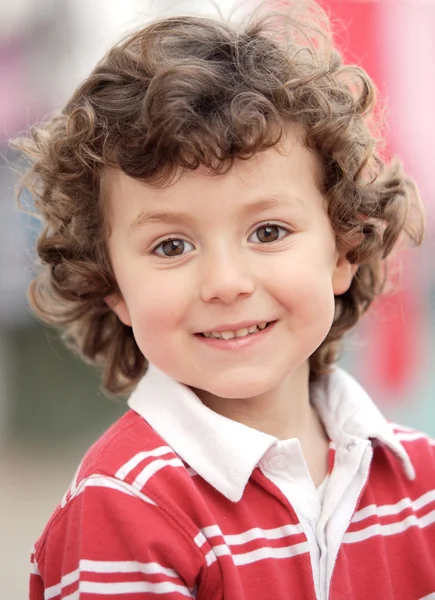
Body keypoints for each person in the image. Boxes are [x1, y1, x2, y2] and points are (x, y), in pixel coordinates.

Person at [13, 0, 434, 598]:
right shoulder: (125, 506)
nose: (225, 282)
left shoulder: (420, 482)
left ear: (343, 249)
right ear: (112, 286)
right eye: (171, 245)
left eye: (268, 232)